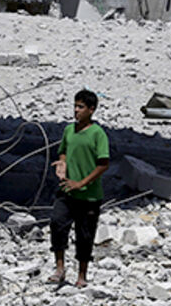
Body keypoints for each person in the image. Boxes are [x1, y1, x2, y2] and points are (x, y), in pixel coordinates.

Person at [48, 88, 110, 288]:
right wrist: (62, 164)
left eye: (80, 107)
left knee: (85, 235)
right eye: (75, 106)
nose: (76, 110)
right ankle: (60, 268)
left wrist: (81, 183)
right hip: (67, 190)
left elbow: (103, 164)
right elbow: (63, 151)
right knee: (57, 224)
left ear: (91, 110)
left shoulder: (97, 134)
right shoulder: (69, 130)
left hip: (89, 196)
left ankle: (82, 275)